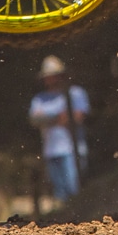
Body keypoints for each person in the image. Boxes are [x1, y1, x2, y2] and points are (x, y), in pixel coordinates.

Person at [28, 55, 90, 206]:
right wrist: (59, 118)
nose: (50, 80)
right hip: (51, 150)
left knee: (74, 189)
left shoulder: (75, 93)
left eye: (53, 76)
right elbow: (34, 119)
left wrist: (49, 119)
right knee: (60, 193)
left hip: (72, 149)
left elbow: (78, 116)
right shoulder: (40, 98)